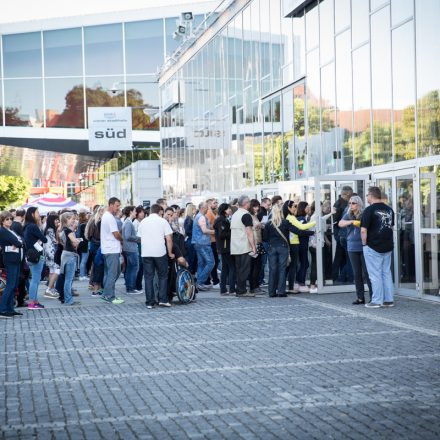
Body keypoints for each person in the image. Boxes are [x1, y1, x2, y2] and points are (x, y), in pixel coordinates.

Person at [263, 204, 313, 297]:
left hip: (272, 247)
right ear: (281, 212)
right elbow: (298, 231)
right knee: (282, 269)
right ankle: (281, 292)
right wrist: (312, 232)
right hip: (283, 247)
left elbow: (265, 238)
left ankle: (271, 292)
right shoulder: (285, 222)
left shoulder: (268, 224)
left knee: (272, 269)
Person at [361, 186, 395, 308]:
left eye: (367, 196)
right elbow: (390, 227)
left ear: (371, 195)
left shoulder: (369, 210)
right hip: (387, 246)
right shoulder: (390, 210)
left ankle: (376, 300)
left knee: (374, 274)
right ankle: (388, 300)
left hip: (373, 246)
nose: (367, 198)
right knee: (386, 273)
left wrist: (364, 244)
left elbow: (363, 230)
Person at [138, 203, 174, 309]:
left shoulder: (143, 222)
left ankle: (149, 302)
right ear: (160, 212)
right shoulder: (163, 221)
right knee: (162, 276)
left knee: (148, 277)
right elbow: (169, 239)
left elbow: (139, 238)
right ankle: (163, 299)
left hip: (146, 253)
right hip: (159, 252)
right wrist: (170, 252)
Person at [339, 195, 373, 304]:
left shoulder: (364, 214)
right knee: (357, 273)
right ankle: (360, 297)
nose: (351, 205)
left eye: (353, 203)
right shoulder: (348, 214)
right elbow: (340, 223)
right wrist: (351, 222)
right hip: (352, 247)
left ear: (359, 204)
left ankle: (373, 296)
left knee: (368, 273)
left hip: (364, 246)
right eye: (349, 203)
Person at [283, 200, 315, 293]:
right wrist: (315, 222)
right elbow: (301, 228)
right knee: (292, 266)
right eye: (294, 206)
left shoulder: (290, 217)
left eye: (296, 206)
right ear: (289, 208)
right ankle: (291, 287)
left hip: (294, 243)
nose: (295, 208)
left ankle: (287, 286)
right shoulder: (291, 217)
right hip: (293, 244)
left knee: (291, 266)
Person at [230, 195, 257, 297]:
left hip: (235, 246)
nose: (250, 204)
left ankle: (240, 289)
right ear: (246, 204)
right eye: (249, 203)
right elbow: (249, 232)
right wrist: (253, 246)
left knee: (239, 269)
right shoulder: (246, 215)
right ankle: (241, 291)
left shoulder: (235, 214)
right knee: (245, 269)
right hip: (244, 246)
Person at [100, 198, 124, 305]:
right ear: (111, 205)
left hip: (108, 249)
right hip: (111, 249)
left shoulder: (107, 216)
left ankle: (107, 293)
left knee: (110, 273)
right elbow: (116, 234)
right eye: (117, 205)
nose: (118, 208)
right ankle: (109, 295)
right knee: (113, 273)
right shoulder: (109, 217)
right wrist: (122, 239)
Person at [0, 211, 24, 318]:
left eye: (11, 219)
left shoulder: (11, 230)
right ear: (2, 220)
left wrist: (18, 242)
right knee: (10, 285)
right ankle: (3, 309)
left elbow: (21, 240)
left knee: (14, 285)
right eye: (7, 219)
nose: (9, 221)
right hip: (10, 260)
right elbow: (18, 242)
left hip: (16, 259)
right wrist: (18, 242)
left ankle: (10, 308)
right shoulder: (3, 231)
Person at [23, 207, 48, 310]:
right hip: (36, 255)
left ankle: (35, 301)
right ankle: (32, 303)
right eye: (37, 212)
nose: (39, 214)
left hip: (31, 255)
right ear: (32, 214)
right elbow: (44, 239)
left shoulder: (26, 226)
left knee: (35, 279)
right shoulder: (33, 226)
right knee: (35, 280)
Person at [308, 202, 333, 293]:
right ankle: (313, 285)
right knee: (316, 265)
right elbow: (320, 227)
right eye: (321, 205)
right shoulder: (315, 216)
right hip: (316, 244)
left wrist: (330, 214)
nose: (323, 207)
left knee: (316, 265)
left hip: (315, 243)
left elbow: (322, 220)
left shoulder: (316, 216)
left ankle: (315, 284)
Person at [192, 202, 215, 291]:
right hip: (203, 243)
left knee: (201, 263)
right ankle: (199, 282)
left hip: (199, 243)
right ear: (203, 208)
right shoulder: (201, 217)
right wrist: (214, 232)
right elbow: (204, 230)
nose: (207, 209)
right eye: (206, 208)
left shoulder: (198, 216)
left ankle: (200, 283)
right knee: (210, 263)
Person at [59, 212, 81, 306]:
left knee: (67, 279)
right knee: (69, 279)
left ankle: (67, 298)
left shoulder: (62, 230)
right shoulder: (68, 231)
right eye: (72, 219)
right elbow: (74, 242)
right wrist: (79, 240)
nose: (73, 220)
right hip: (70, 255)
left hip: (65, 254)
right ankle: (68, 300)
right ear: (67, 219)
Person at [213, 203, 236, 295]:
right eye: (228, 209)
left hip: (224, 247)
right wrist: (233, 231)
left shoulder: (223, 219)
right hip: (225, 247)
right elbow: (222, 234)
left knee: (225, 268)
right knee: (232, 267)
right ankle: (232, 289)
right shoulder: (221, 220)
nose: (230, 210)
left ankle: (223, 289)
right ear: (224, 210)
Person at [332, 186, 353, 282]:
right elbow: (336, 220)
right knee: (343, 257)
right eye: (351, 194)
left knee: (341, 257)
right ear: (347, 193)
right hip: (341, 232)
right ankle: (339, 277)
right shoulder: (340, 204)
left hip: (340, 233)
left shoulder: (339, 203)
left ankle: (341, 277)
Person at [295, 201, 314, 293]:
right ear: (303, 208)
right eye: (307, 207)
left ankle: (299, 282)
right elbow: (301, 231)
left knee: (304, 263)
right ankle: (300, 282)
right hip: (301, 244)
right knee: (304, 263)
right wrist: (312, 232)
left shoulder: (300, 218)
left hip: (301, 243)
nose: (309, 209)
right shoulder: (301, 219)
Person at [11, 209, 29, 307]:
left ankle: (20, 297)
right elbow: (22, 241)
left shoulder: (14, 225)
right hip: (19, 255)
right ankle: (20, 299)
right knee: (21, 277)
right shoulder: (18, 225)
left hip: (17, 255)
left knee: (20, 277)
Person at [122, 206, 141, 294]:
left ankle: (130, 287)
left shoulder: (127, 222)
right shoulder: (128, 223)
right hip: (131, 248)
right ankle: (131, 288)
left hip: (128, 248)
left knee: (130, 268)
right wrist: (138, 238)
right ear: (130, 212)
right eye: (134, 211)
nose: (136, 213)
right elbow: (128, 236)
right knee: (134, 268)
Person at [43, 214, 60, 299]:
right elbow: (56, 241)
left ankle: (51, 289)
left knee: (52, 271)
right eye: (56, 220)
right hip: (52, 253)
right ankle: (49, 289)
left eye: (58, 219)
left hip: (49, 253)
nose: (57, 221)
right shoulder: (51, 230)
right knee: (57, 270)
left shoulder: (47, 229)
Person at [248, 199, 263, 294]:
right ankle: (253, 286)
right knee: (254, 266)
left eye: (257, 206)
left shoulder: (254, 216)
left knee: (258, 266)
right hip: (254, 243)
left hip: (258, 242)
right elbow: (249, 229)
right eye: (254, 206)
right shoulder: (249, 216)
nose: (256, 208)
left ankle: (256, 285)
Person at [205, 198, 220, 288]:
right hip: (211, 240)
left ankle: (210, 280)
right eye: (215, 203)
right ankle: (214, 280)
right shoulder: (209, 213)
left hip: (213, 240)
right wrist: (215, 229)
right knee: (213, 261)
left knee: (213, 260)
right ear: (210, 204)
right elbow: (208, 225)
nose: (216, 204)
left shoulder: (212, 213)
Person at [257, 198, 271, 285]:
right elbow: (263, 225)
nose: (269, 206)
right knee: (263, 261)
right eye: (268, 204)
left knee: (262, 261)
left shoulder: (262, 212)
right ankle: (260, 279)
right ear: (263, 203)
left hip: (262, 239)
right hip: (263, 240)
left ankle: (260, 279)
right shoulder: (262, 212)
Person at [183, 203, 197, 274]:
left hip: (191, 240)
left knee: (192, 259)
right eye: (194, 209)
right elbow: (187, 231)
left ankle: (191, 275)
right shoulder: (188, 219)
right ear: (191, 210)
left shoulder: (191, 218)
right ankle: (190, 276)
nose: (195, 210)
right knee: (190, 259)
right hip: (190, 241)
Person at [77, 212, 89, 281]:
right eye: (86, 214)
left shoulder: (80, 224)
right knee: (84, 260)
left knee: (83, 259)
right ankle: (82, 275)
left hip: (81, 243)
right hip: (85, 243)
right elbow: (86, 235)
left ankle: (83, 274)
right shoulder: (84, 225)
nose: (87, 215)